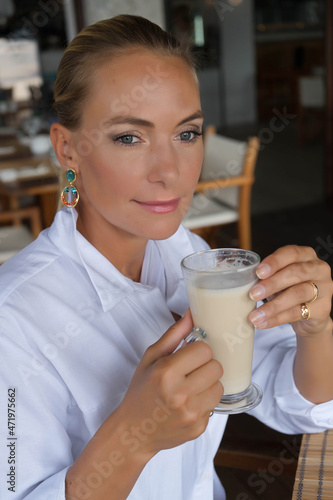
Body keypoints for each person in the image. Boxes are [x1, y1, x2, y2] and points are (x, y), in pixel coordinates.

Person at [0, 14, 333, 500]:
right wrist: (132, 439)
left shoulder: (191, 257)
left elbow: (297, 404)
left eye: (187, 134)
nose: (170, 172)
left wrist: (315, 328)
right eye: (129, 137)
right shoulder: (15, 319)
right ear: (67, 148)